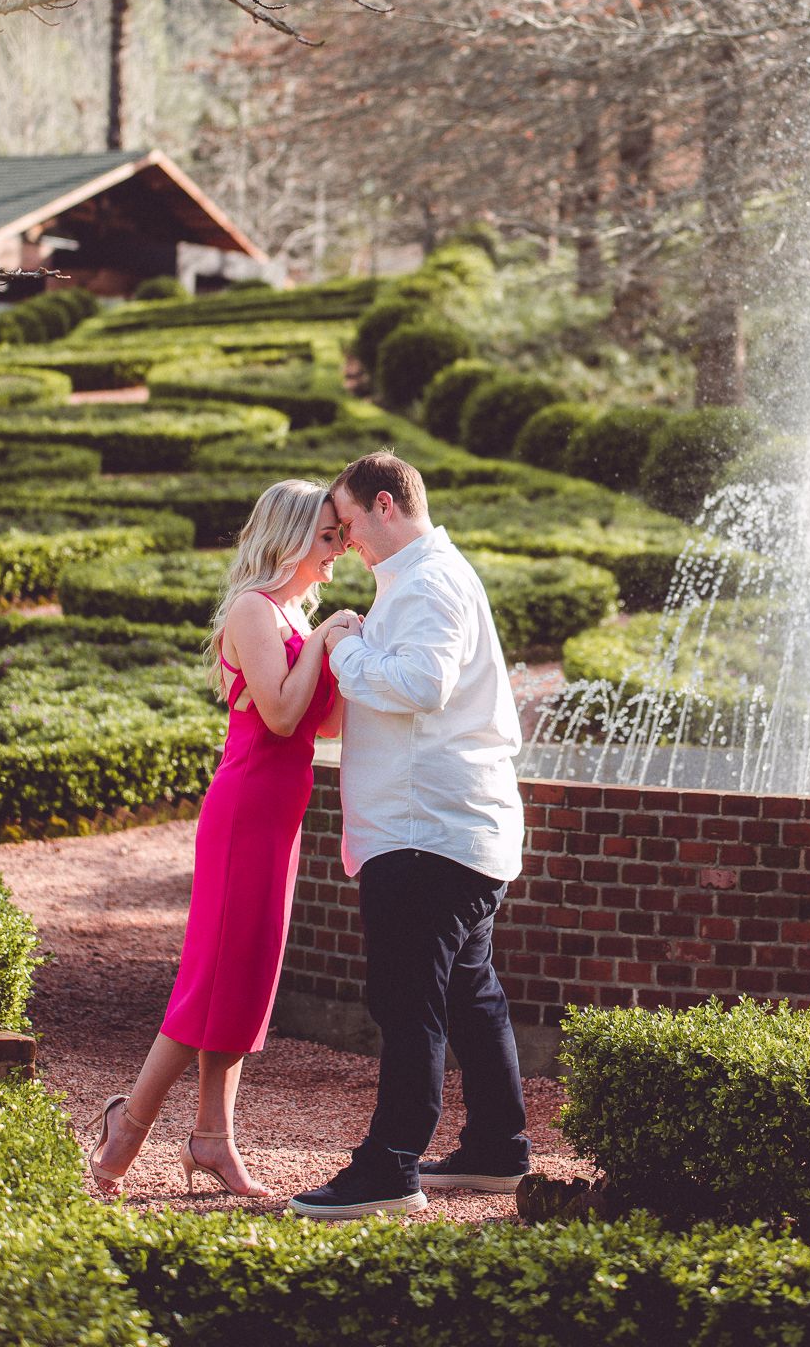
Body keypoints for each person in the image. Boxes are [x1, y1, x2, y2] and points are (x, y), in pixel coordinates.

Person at [87, 479, 359, 1198]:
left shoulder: (296, 615)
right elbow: (279, 716)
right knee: (211, 977)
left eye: (340, 535)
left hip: (280, 815)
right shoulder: (253, 609)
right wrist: (323, 640)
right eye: (328, 536)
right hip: (244, 813)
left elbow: (326, 724)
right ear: (291, 538)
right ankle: (127, 1128)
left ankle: (212, 1138)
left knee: (246, 976)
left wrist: (346, 649)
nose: (339, 547)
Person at [288, 451, 529, 1221]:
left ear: (385, 505)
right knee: (469, 996)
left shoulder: (427, 583)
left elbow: (421, 686)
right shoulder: (421, 579)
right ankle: (497, 1150)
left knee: (408, 1002)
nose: (345, 539)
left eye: (348, 521)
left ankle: (389, 1168)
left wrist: (342, 647)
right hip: (450, 828)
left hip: (426, 833)